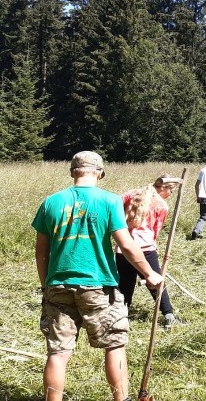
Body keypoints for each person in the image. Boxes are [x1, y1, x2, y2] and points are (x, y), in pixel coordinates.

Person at [33, 151, 164, 401]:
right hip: (99, 286)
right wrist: (150, 273)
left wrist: (46, 284)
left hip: (58, 284)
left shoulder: (51, 202)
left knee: (58, 352)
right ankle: (121, 399)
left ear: (72, 172)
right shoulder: (109, 201)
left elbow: (41, 253)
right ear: (100, 173)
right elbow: (125, 244)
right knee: (114, 345)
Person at [116, 175, 183, 329]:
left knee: (125, 283)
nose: (170, 195)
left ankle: (121, 316)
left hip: (123, 247)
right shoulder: (161, 205)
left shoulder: (131, 194)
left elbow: (114, 208)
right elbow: (155, 231)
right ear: (164, 188)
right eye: (170, 192)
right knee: (156, 282)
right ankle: (169, 316)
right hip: (145, 249)